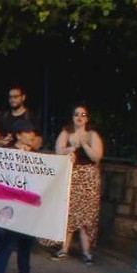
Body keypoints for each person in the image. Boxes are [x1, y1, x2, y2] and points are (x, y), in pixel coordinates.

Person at [0, 120, 46, 273]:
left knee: (26, 244)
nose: (32, 136)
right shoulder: (8, 154)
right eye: (28, 132)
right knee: (7, 244)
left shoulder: (36, 155)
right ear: (19, 135)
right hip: (12, 207)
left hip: (28, 207)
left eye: (33, 133)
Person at [50, 105, 104, 263]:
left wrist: (85, 145)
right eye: (76, 114)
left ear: (87, 118)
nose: (79, 117)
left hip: (88, 178)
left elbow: (97, 157)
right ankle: (64, 248)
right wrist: (71, 148)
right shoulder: (66, 132)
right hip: (71, 176)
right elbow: (58, 151)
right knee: (69, 212)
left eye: (83, 114)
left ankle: (87, 252)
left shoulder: (92, 134)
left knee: (86, 214)